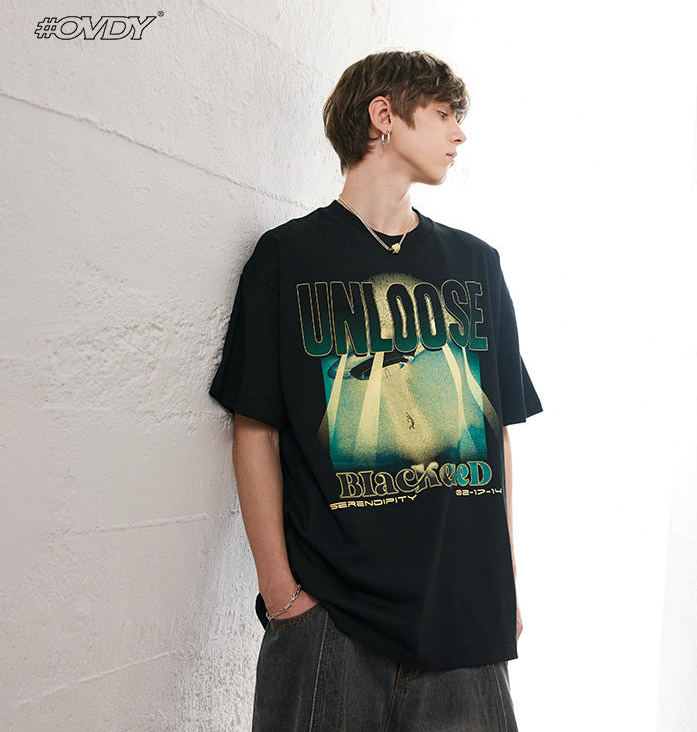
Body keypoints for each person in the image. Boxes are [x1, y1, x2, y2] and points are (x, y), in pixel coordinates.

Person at [209, 50, 543, 731]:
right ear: (384, 115)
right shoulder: (287, 258)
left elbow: (496, 432)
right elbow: (254, 428)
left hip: (462, 613)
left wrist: (502, 577)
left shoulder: (476, 264)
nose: (459, 133)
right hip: (329, 623)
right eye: (444, 114)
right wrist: (282, 593)